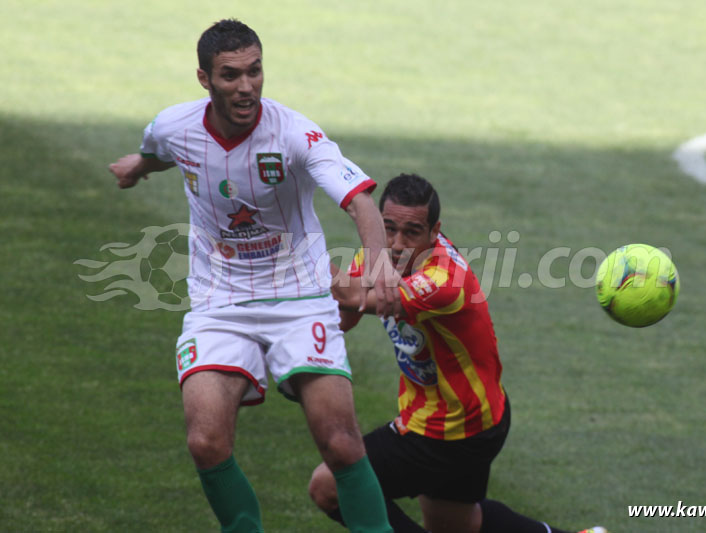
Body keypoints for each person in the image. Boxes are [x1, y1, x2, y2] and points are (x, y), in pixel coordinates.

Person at [108, 19, 398, 533]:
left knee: (340, 443)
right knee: (205, 441)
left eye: (255, 71)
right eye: (231, 75)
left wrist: (379, 269)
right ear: (205, 79)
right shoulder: (175, 125)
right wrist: (138, 165)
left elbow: (360, 202)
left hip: (301, 296)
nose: (246, 87)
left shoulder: (293, 133)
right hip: (219, 300)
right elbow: (160, 151)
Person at [308, 174, 607, 533]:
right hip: (478, 417)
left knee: (331, 486)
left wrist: (301, 251)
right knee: (455, 523)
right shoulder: (380, 253)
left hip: (447, 431)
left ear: (435, 232)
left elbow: (356, 297)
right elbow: (346, 315)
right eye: (388, 228)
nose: (398, 243)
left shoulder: (443, 280)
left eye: (412, 232)